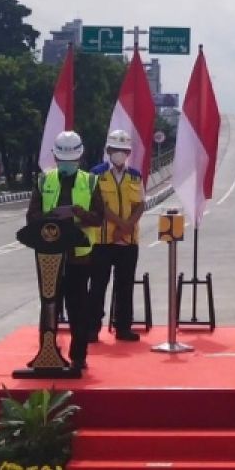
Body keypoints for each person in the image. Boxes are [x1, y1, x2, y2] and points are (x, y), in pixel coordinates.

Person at [26, 130, 103, 370]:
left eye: (71, 161)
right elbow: (32, 217)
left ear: (79, 158)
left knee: (78, 307)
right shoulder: (43, 180)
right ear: (55, 158)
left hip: (79, 257)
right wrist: (52, 218)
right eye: (62, 160)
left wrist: (78, 212)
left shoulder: (90, 182)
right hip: (49, 257)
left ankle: (78, 356)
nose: (66, 165)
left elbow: (98, 218)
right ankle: (47, 353)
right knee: (49, 305)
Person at [88, 130, 146, 342]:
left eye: (124, 150)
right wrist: (121, 225)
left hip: (129, 241)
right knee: (98, 285)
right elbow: (97, 205)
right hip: (103, 240)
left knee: (125, 285)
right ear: (108, 150)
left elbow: (140, 203)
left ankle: (123, 327)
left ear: (129, 152)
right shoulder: (96, 174)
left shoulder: (135, 175)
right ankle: (92, 328)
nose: (119, 153)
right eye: (116, 150)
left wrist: (128, 226)